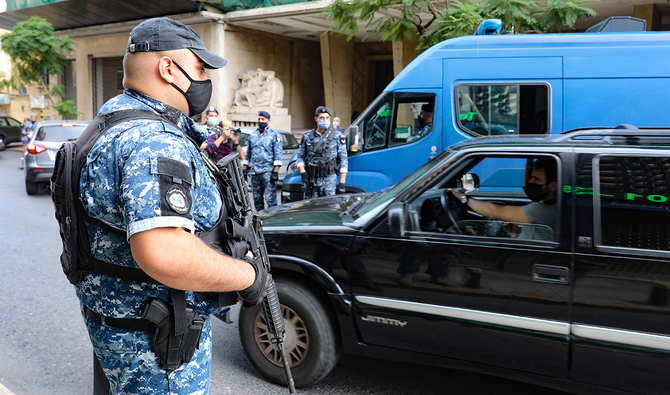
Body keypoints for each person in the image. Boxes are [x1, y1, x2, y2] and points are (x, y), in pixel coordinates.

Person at [75, 17, 264, 394]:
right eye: (199, 68)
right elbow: (164, 253)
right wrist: (248, 276)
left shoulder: (110, 121)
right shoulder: (154, 140)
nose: (205, 79)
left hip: (123, 328)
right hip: (159, 351)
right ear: (167, 68)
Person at [450, 158, 558, 239]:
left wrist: (464, 199)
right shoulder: (554, 205)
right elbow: (529, 189)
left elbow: (493, 211)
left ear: (552, 186)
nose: (531, 182)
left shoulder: (541, 210)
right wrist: (529, 161)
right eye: (531, 177)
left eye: (536, 179)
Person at [296, 106, 348, 198]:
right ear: (316, 119)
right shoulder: (307, 135)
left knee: (329, 208)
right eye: (322, 118)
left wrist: (342, 183)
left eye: (327, 118)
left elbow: (343, 159)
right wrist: (303, 172)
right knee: (310, 209)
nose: (325, 120)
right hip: (312, 180)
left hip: (329, 181)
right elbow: (300, 156)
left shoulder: (337, 136)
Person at [242, 110, 283, 211]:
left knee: (270, 199)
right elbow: (248, 154)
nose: (260, 121)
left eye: (263, 119)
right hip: (255, 172)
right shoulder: (253, 135)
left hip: (268, 172)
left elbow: (278, 155)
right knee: (256, 199)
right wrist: (244, 168)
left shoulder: (274, 135)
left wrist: (275, 172)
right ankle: (260, 220)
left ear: (268, 121)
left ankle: (272, 220)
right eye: (259, 119)